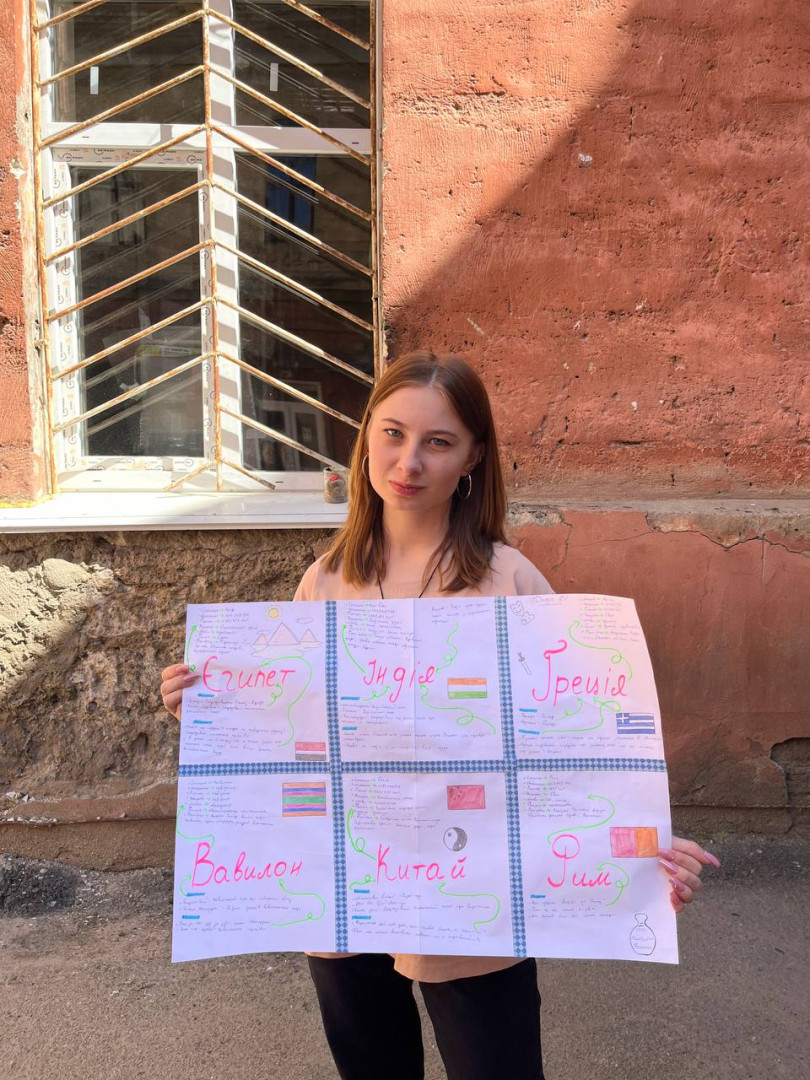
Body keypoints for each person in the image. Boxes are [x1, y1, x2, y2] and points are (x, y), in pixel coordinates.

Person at [161, 351, 720, 1080]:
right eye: (393, 433)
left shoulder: (510, 582)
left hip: (471, 902)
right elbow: (298, 733)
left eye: (439, 442)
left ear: (473, 459)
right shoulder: (325, 580)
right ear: (366, 438)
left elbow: (571, 746)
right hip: (344, 891)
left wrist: (640, 849)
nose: (409, 462)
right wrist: (212, 713)